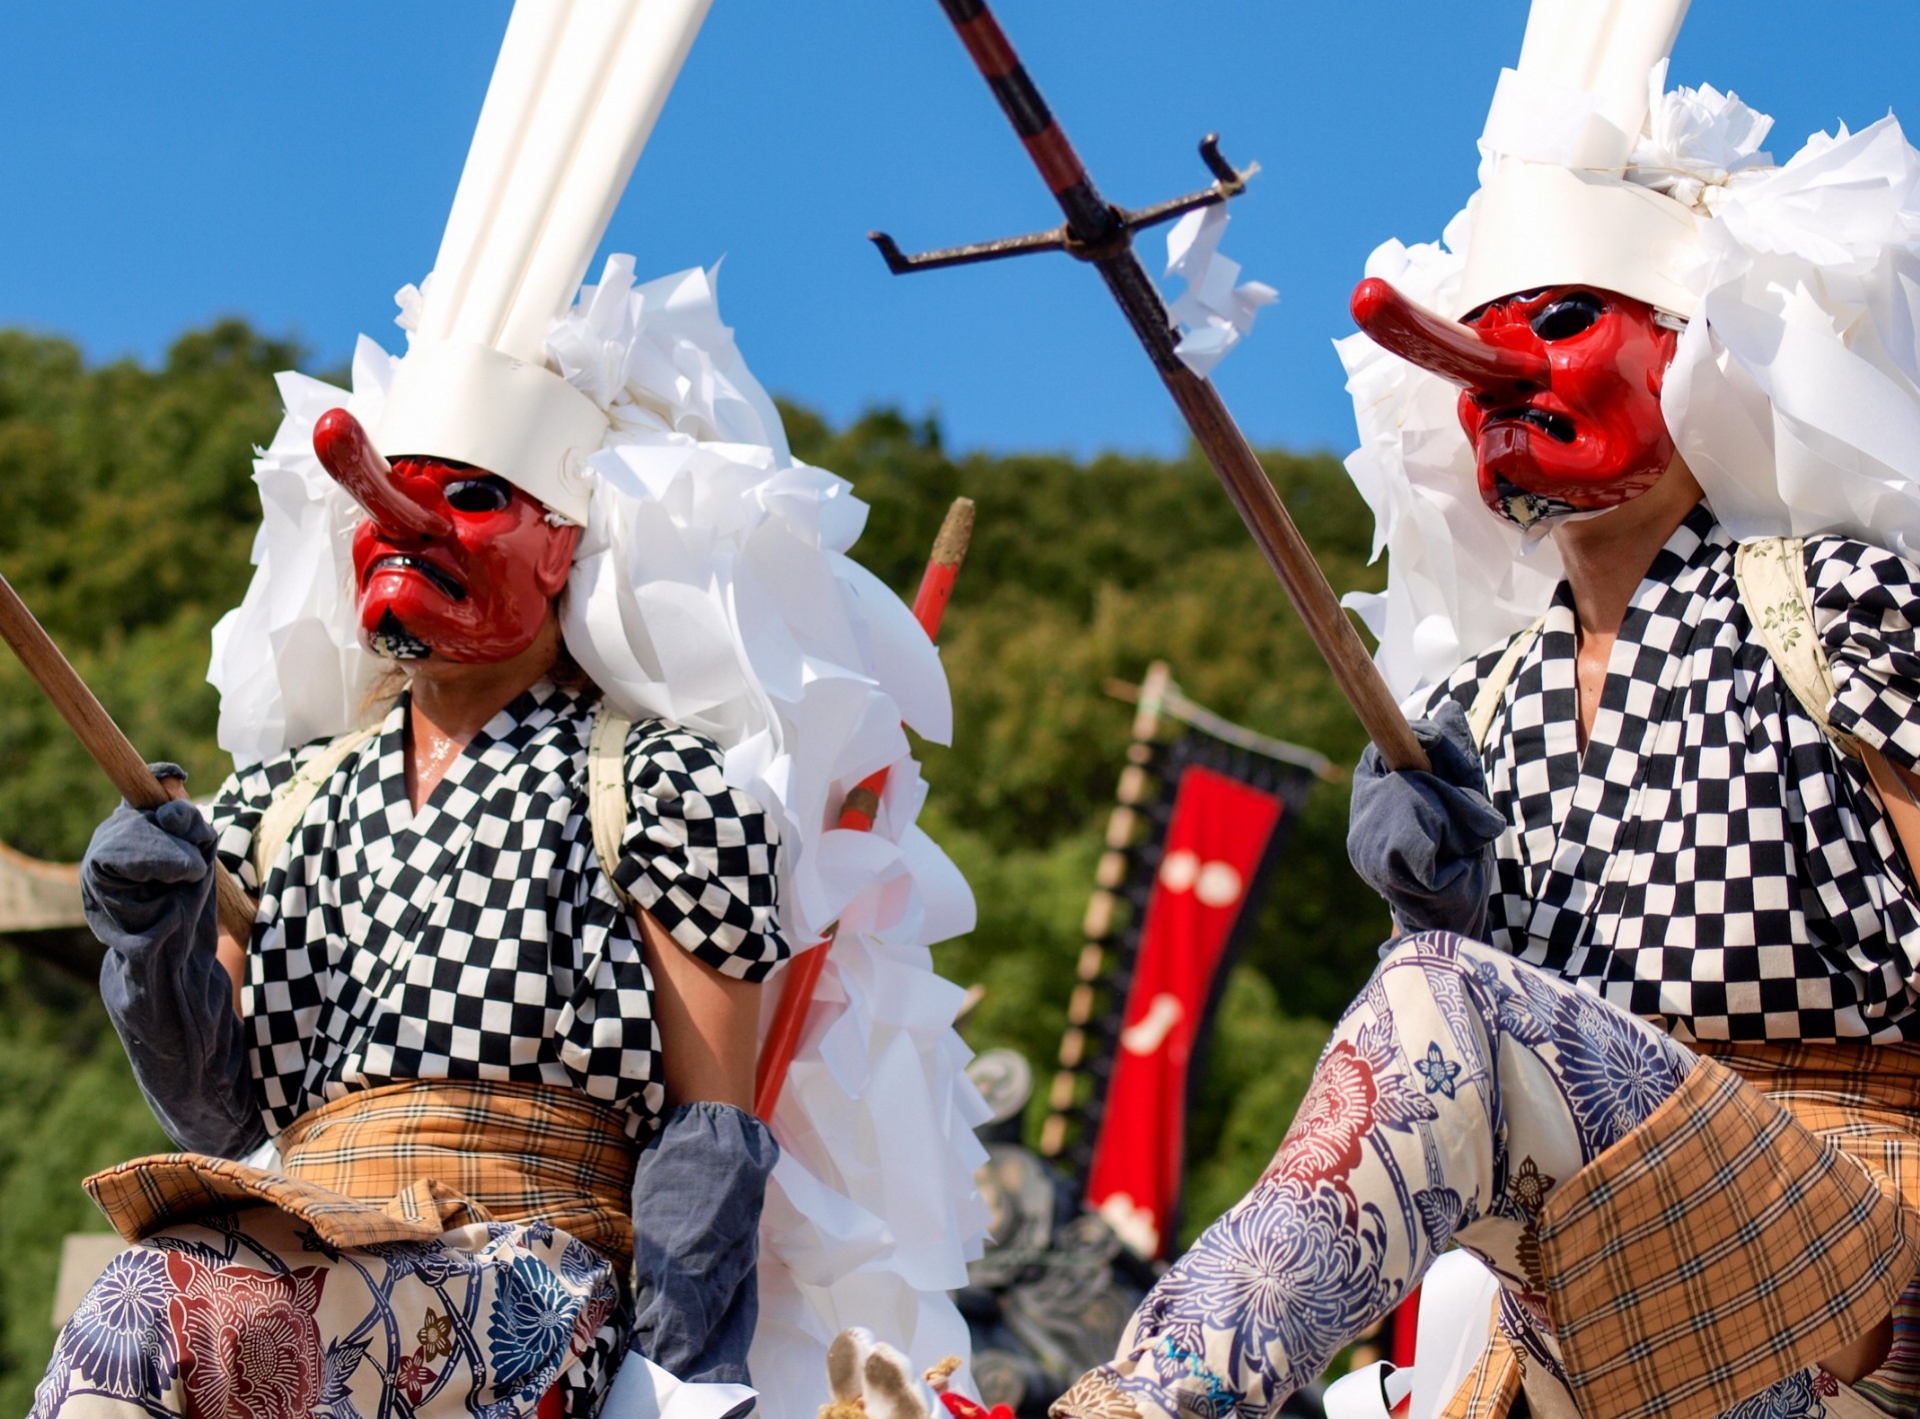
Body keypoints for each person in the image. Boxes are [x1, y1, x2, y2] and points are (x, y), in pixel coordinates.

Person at [32, 7, 984, 1418]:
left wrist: (682, 1363)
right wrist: (153, 945)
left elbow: (711, 1121)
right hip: (289, 1243)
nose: (408, 522)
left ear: (568, 547)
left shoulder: (655, 788)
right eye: (391, 502)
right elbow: (223, 1115)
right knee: (145, 1310)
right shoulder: (282, 804)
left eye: (471, 498)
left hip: (531, 1279)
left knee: (182, 1300)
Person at [1052, 4, 1920, 1419]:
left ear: (1684, 353)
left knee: (1451, 998)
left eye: (1564, 325)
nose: (1500, 381)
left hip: (1846, 1262)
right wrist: (1438, 907)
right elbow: (1452, 1086)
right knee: (1438, 994)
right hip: (1580, 1295)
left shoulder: (1835, 605)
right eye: (1478, 356)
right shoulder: (1475, 707)